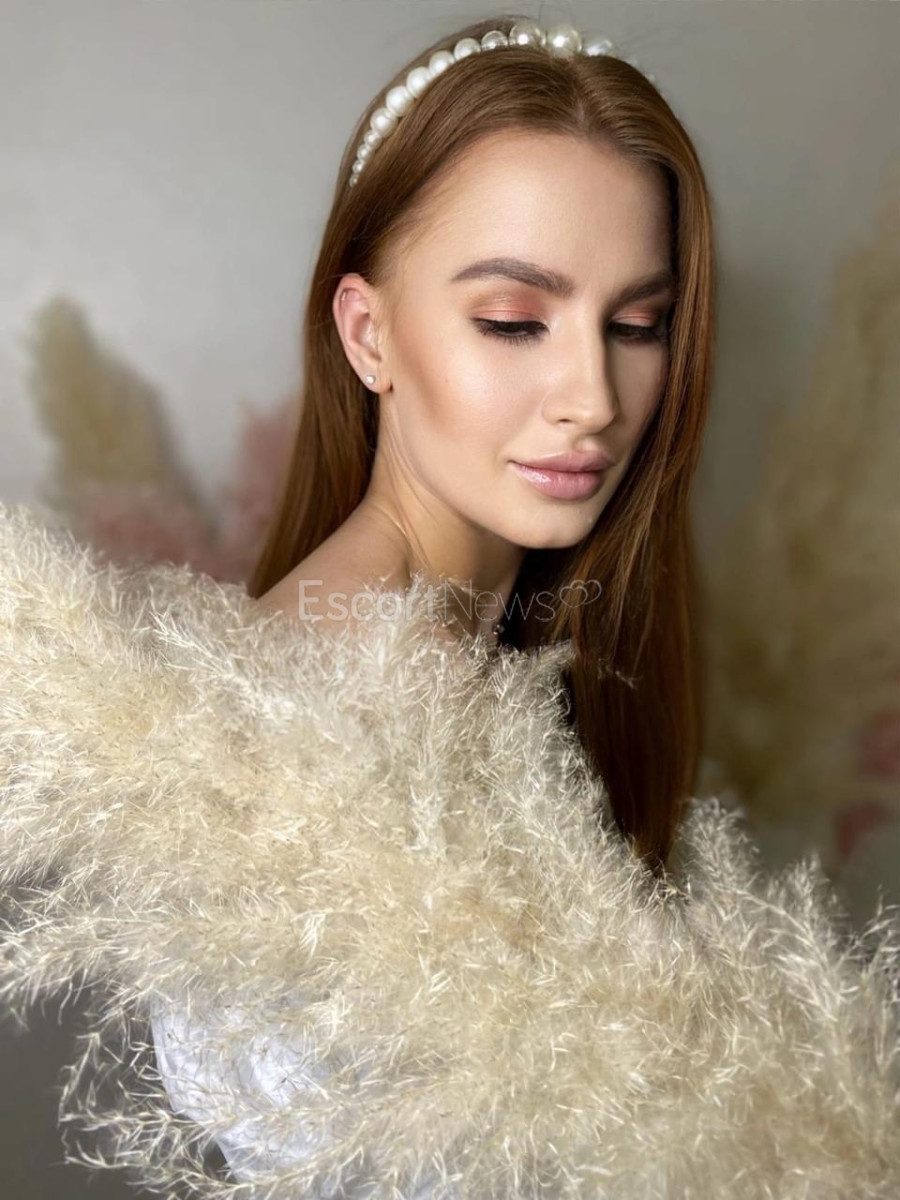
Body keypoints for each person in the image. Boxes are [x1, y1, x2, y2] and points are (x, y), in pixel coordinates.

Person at [0, 13, 897, 1200]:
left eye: (639, 324)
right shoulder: (368, 703)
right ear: (369, 333)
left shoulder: (473, 654)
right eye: (514, 320)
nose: (593, 395)